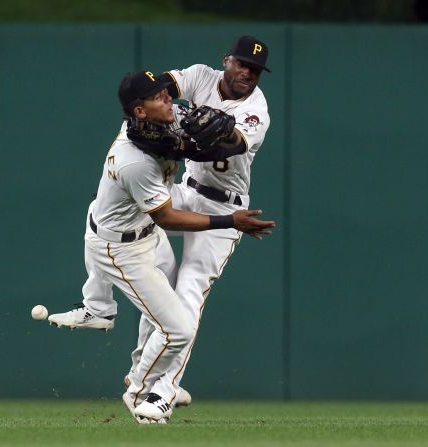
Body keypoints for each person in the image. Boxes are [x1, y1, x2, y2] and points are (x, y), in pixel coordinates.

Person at [49, 36, 273, 411]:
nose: (247, 73)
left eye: (255, 70)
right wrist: (157, 102)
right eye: (241, 64)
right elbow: (163, 84)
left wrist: (217, 132)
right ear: (227, 61)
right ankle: (98, 306)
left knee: (188, 293)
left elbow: (233, 145)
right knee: (104, 213)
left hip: (225, 205)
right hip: (186, 190)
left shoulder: (257, 108)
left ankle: (163, 389)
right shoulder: (203, 76)